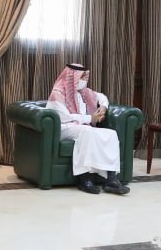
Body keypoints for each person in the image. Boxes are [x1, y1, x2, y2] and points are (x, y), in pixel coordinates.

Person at [46, 63, 130, 195]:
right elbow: (63, 117)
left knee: (111, 134)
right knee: (87, 131)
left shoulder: (85, 93)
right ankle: (84, 179)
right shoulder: (58, 93)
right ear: (72, 77)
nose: (84, 81)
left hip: (83, 127)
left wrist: (103, 107)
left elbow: (102, 97)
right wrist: (90, 118)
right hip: (64, 128)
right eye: (82, 77)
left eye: (86, 78)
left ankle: (111, 179)